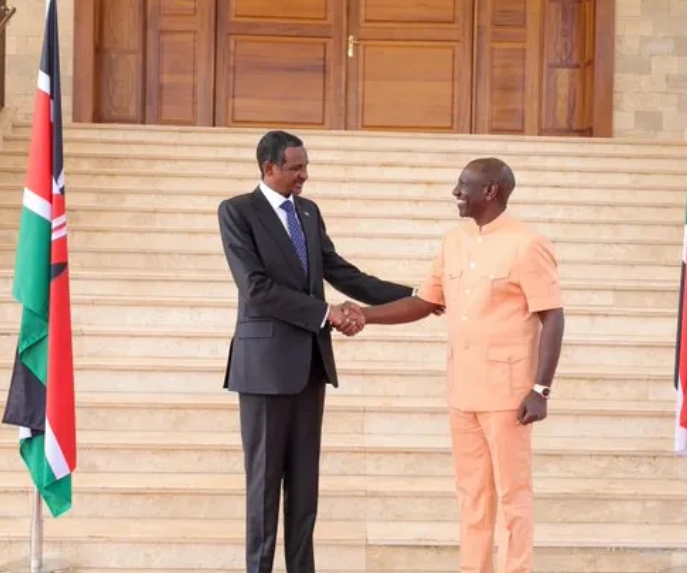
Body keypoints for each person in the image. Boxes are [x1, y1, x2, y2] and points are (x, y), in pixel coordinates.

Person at [216, 130, 416, 573]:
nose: (304, 175)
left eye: (305, 167)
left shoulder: (308, 212)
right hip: (265, 369)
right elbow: (255, 288)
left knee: (305, 488)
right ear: (269, 167)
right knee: (264, 487)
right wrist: (328, 313)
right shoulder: (237, 211)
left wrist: (414, 295)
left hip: (310, 366)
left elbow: (342, 272)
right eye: (296, 168)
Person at [356, 157, 565, 573]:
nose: (456, 193)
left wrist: (540, 389)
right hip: (463, 391)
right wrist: (362, 315)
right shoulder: (454, 241)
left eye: (463, 185)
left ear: (490, 191)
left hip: (509, 395)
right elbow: (425, 302)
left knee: (513, 495)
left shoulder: (527, 244)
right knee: (472, 495)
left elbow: (553, 316)